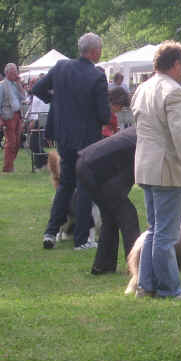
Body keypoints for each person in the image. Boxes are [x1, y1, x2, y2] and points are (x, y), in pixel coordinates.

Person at [34, 32, 111, 250]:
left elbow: (37, 89)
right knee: (85, 185)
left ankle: (50, 232)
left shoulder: (60, 67)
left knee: (66, 184)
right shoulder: (96, 76)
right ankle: (81, 239)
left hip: (64, 137)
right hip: (87, 140)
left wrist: (56, 100)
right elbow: (104, 116)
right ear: (95, 51)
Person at [131, 40, 181, 299]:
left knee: (155, 230)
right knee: (166, 235)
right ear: (176, 63)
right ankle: (169, 288)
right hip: (166, 169)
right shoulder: (174, 91)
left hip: (145, 167)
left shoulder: (142, 88)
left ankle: (146, 285)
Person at [75, 126, 141, 275]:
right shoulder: (145, 140)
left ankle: (103, 266)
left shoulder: (139, 132)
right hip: (93, 169)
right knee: (128, 215)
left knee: (111, 217)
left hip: (86, 164)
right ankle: (137, 265)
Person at [0, 63, 26, 173]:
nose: (16, 74)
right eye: (13, 72)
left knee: (17, 142)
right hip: (8, 116)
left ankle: (10, 164)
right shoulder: (2, 85)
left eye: (16, 71)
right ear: (7, 73)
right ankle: (7, 168)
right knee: (11, 142)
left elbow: (23, 97)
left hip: (17, 115)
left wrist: (19, 83)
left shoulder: (15, 84)